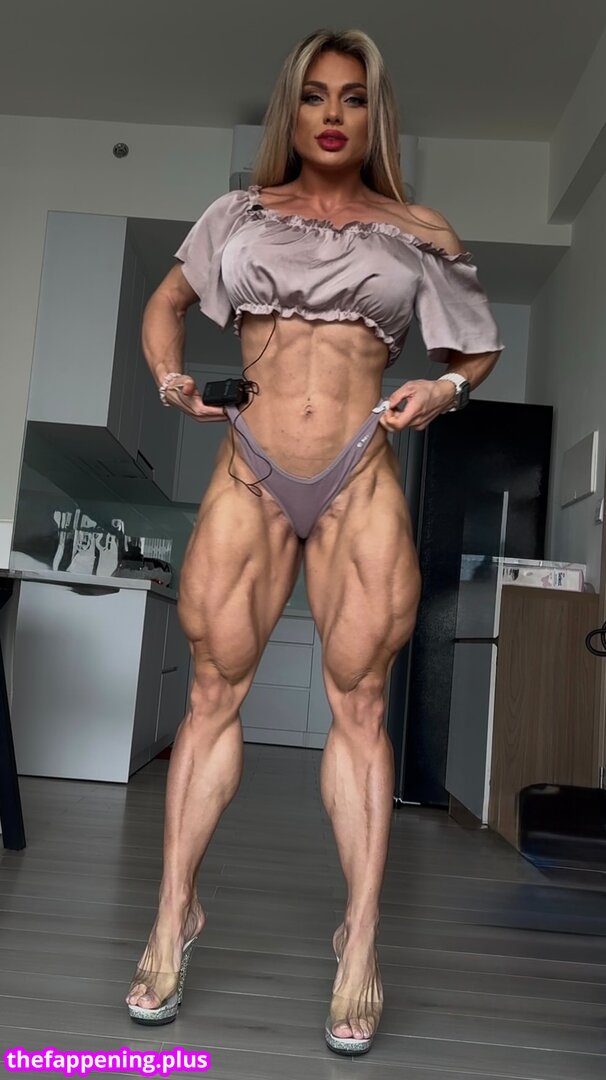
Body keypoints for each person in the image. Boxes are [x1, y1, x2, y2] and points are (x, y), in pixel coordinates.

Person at [125, 27, 504, 1054]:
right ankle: (172, 916)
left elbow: (474, 347)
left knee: (361, 706)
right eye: (315, 96)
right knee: (213, 693)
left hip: (361, 474)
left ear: (376, 116)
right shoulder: (237, 214)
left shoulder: (416, 228)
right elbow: (167, 307)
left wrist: (445, 388)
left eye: (354, 98)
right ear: (290, 111)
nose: (333, 115)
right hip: (249, 468)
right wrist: (170, 378)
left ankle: (360, 939)